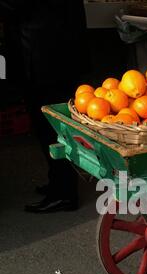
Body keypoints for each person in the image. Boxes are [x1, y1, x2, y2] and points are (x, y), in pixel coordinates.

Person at [0, 0, 90, 213]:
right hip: (53, 49)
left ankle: (64, 192)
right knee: (52, 122)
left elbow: (15, 4)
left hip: (45, 53)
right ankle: (58, 182)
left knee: (50, 125)